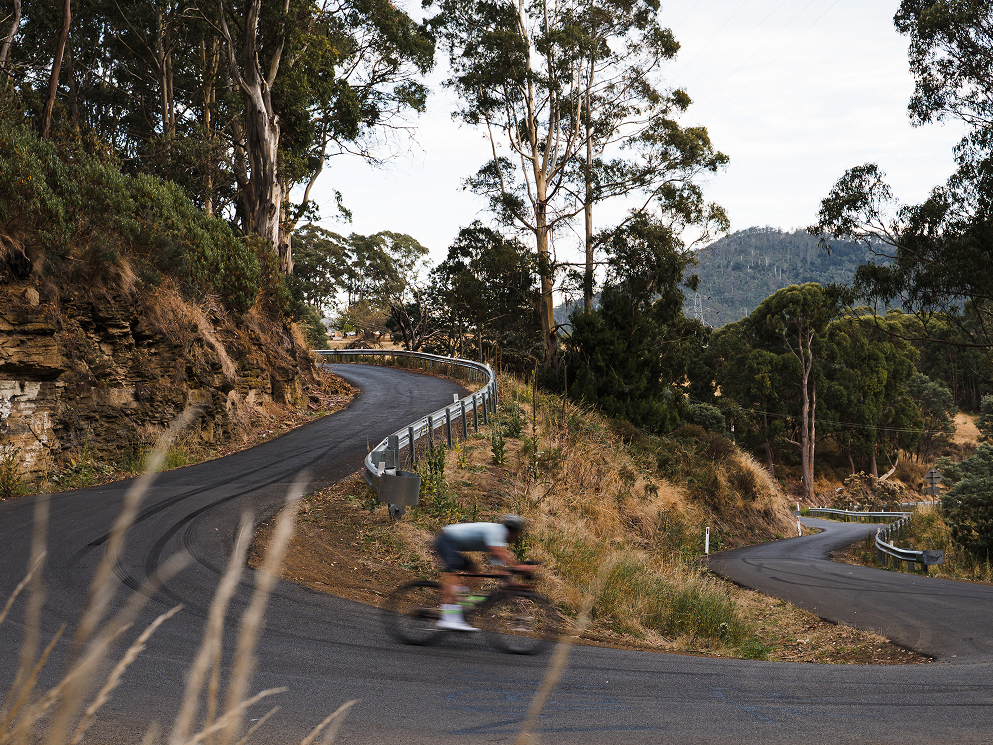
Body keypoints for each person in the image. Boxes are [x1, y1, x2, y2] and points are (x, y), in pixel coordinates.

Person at [433, 515, 527, 631]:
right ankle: (448, 618)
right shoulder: (496, 531)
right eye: (516, 534)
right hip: (446, 540)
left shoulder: (499, 539)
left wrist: (510, 584)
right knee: (453, 582)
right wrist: (517, 566)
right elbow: (496, 551)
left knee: (475, 572)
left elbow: (498, 568)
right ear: (513, 531)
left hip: (452, 546)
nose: (515, 538)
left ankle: (458, 600)